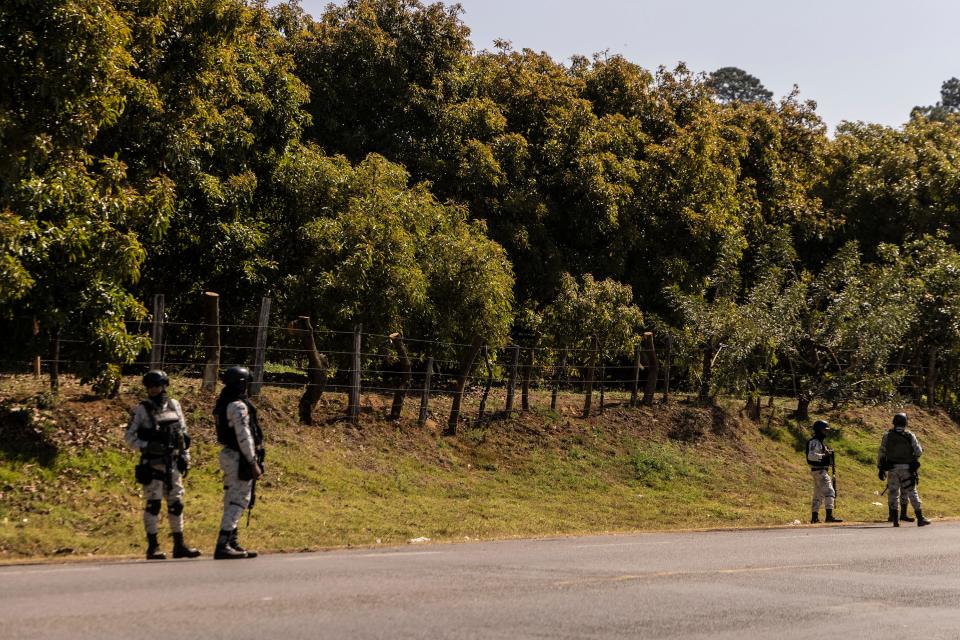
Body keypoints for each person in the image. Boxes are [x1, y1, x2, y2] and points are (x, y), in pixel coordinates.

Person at [124, 370, 202, 560]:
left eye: (157, 386)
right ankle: (153, 547)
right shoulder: (141, 410)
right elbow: (129, 437)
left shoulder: (174, 405)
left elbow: (182, 434)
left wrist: (185, 457)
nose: (153, 390)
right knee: (154, 504)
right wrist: (147, 446)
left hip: (173, 462)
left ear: (164, 386)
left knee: (176, 503)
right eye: (150, 387)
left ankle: (179, 545)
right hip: (152, 463)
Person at [213, 366, 264, 559]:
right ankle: (223, 542)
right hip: (239, 456)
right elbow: (244, 436)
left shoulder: (224, 402)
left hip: (229, 454)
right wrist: (252, 462)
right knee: (239, 500)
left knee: (231, 498)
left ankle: (232, 541)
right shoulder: (238, 406)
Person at [878, 413, 930, 527]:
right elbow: (918, 451)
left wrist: (880, 468)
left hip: (892, 469)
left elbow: (881, 453)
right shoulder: (910, 435)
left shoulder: (887, 435)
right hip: (907, 469)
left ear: (894, 422)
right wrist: (912, 459)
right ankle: (920, 518)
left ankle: (895, 520)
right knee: (912, 492)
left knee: (893, 493)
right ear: (906, 423)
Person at [807, 419, 842, 524]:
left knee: (818, 495)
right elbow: (811, 456)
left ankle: (815, 517)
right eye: (824, 430)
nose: (826, 432)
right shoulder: (814, 442)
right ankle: (829, 516)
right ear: (819, 430)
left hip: (819, 470)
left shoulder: (819, 442)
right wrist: (824, 455)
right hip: (819, 470)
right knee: (830, 492)